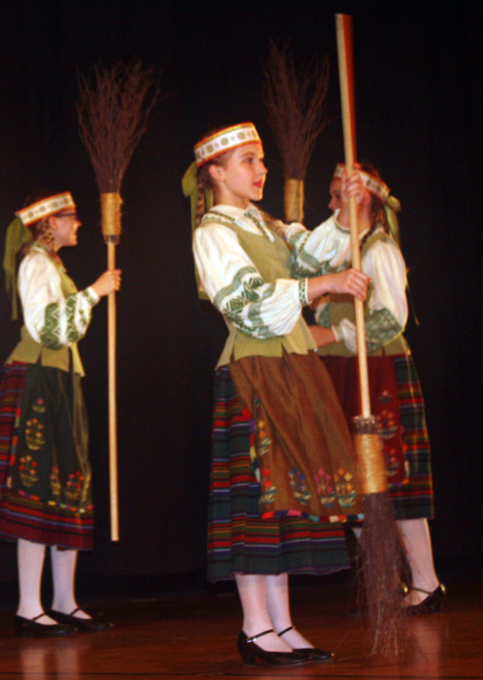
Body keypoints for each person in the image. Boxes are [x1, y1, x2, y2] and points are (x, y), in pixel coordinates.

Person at [184, 123, 370, 666]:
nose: (260, 170)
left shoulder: (267, 226)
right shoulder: (212, 233)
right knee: (257, 500)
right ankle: (254, 626)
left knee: (285, 496)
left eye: (261, 159)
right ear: (216, 173)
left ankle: (282, 624)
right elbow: (246, 302)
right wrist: (320, 288)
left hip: (291, 366)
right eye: (247, 161)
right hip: (253, 371)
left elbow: (314, 255)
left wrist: (347, 211)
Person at [0, 192, 121, 636]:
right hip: (39, 378)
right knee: (38, 483)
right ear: (48, 224)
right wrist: (94, 293)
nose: (77, 224)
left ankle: (64, 599)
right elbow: (47, 326)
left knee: (67, 481)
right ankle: (29, 604)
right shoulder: (36, 263)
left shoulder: (54, 264)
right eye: (71, 218)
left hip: (60, 378)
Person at [309, 163, 443, 615]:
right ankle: (383, 584)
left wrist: (332, 330)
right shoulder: (341, 252)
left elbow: (391, 319)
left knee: (396, 481)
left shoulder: (380, 250)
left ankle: (426, 585)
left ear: (359, 198)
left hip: (381, 369)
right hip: (348, 373)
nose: (330, 205)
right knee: (357, 485)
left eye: (335, 196)